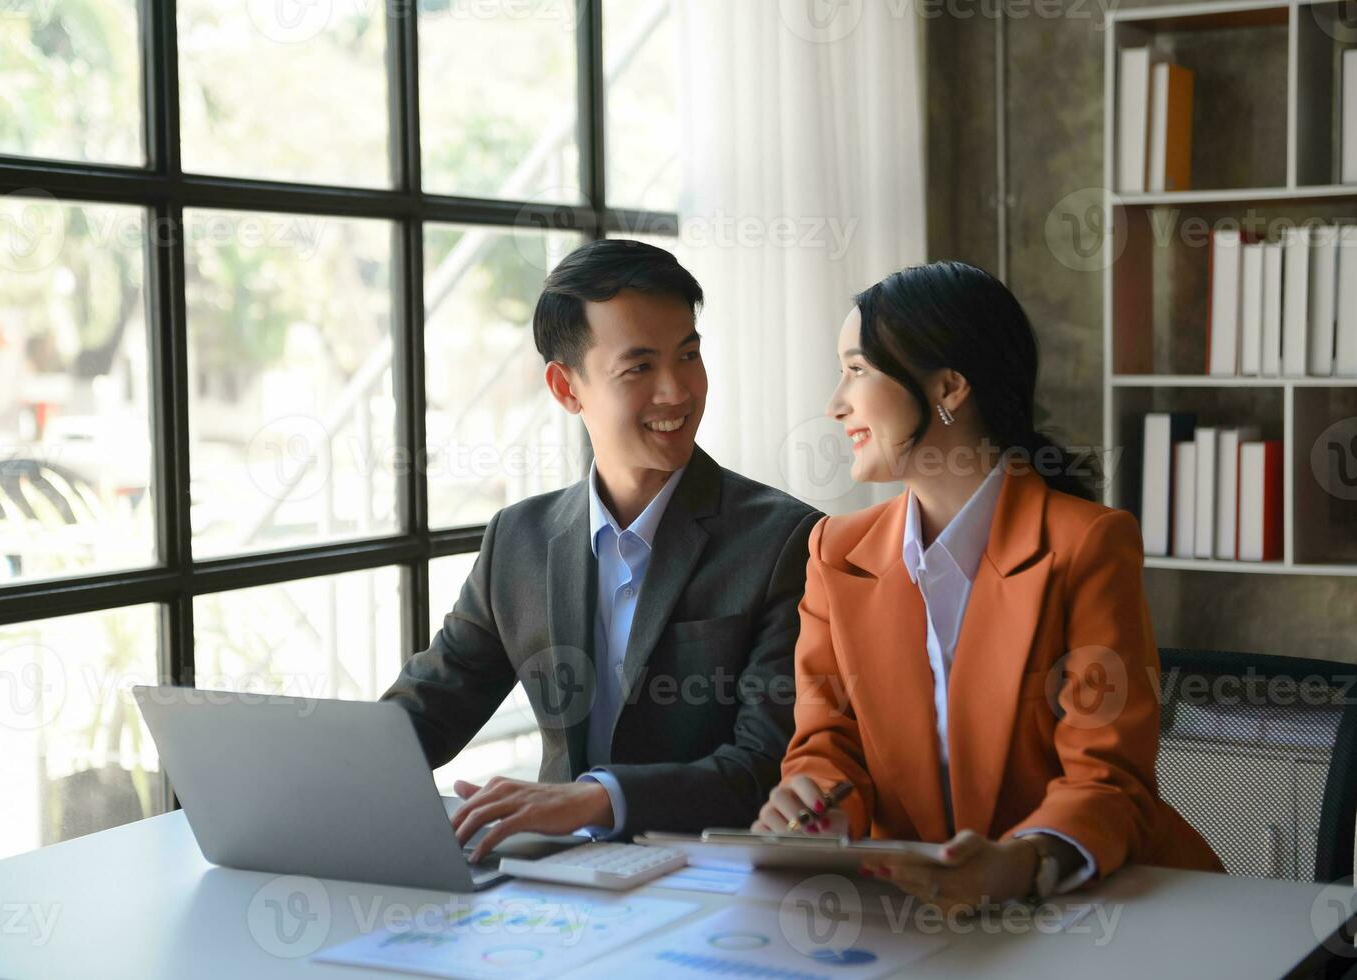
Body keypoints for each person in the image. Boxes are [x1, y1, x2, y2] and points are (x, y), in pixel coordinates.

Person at [754, 261, 1222, 910]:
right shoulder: (836, 551)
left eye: (857, 370)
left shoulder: (1086, 545)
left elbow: (1109, 782)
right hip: (916, 910)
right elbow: (829, 745)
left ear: (948, 388)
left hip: (1094, 904)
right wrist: (813, 804)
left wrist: (1018, 863)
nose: (836, 404)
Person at [384, 239, 820, 862]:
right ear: (566, 388)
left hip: (712, 881)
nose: (676, 391)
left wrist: (594, 799)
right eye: (639, 368)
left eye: (689, 356)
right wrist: (310, 772)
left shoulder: (786, 542)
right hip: (555, 883)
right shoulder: (519, 539)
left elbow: (764, 767)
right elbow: (431, 710)